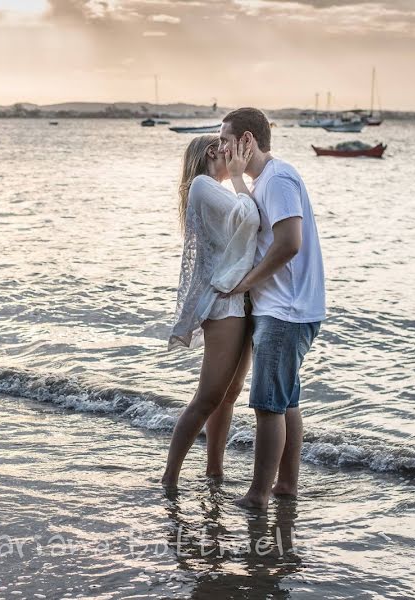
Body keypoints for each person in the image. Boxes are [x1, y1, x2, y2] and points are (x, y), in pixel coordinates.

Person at [218, 107, 326, 509]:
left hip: (285, 310)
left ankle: (258, 495)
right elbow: (256, 221)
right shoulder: (264, 180)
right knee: (285, 402)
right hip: (288, 307)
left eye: (226, 140)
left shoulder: (278, 178)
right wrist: (234, 178)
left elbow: (289, 243)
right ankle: (285, 486)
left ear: (246, 141)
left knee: (267, 406)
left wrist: (244, 284)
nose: (221, 148)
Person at [161, 134, 260, 488]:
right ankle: (169, 477)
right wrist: (238, 176)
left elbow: (241, 227)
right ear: (211, 152)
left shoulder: (210, 190)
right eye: (227, 147)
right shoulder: (203, 185)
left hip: (241, 300)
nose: (233, 151)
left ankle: (214, 470)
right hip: (225, 303)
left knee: (228, 394)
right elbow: (250, 217)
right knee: (208, 396)